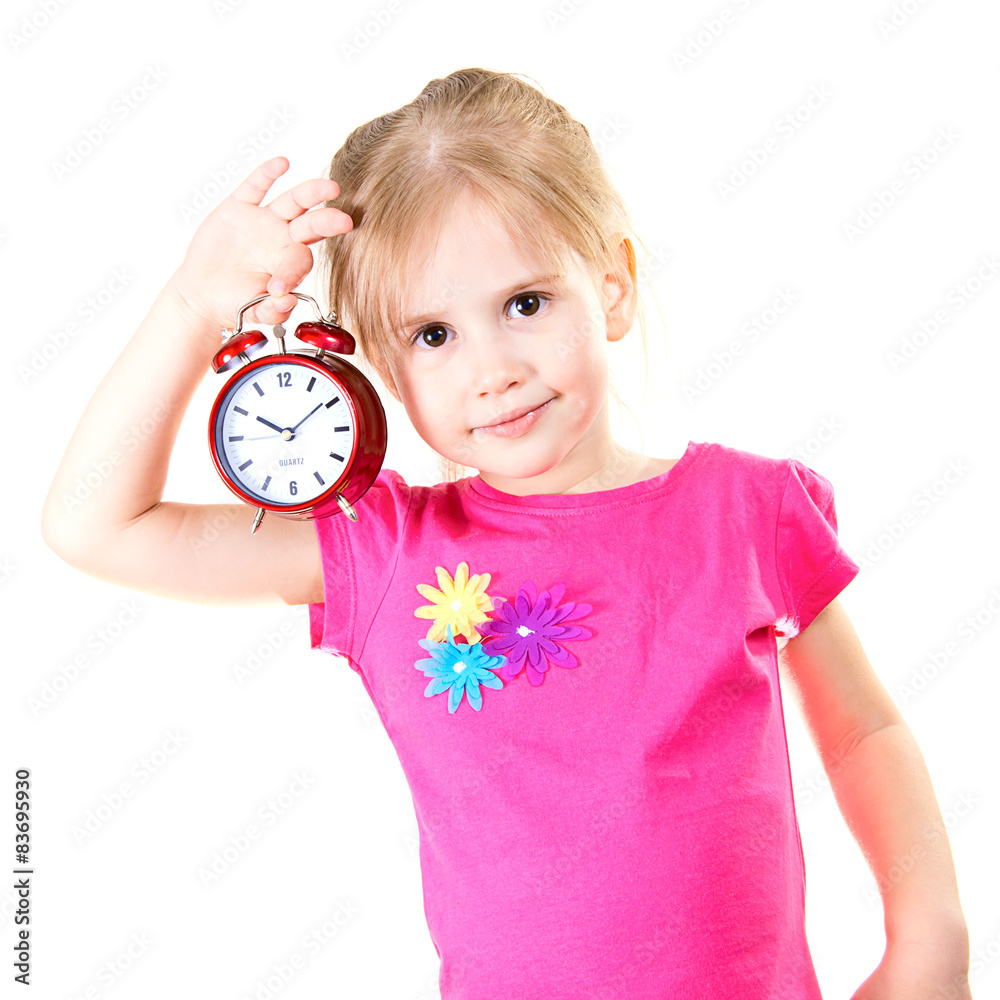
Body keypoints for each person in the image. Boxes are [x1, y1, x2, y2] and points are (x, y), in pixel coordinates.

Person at [41, 68, 971, 1000]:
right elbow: (96, 525)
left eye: (526, 304)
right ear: (387, 369)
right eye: (434, 335)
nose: (491, 368)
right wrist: (192, 309)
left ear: (610, 288)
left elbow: (863, 733)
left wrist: (929, 937)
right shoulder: (387, 553)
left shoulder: (750, 512)